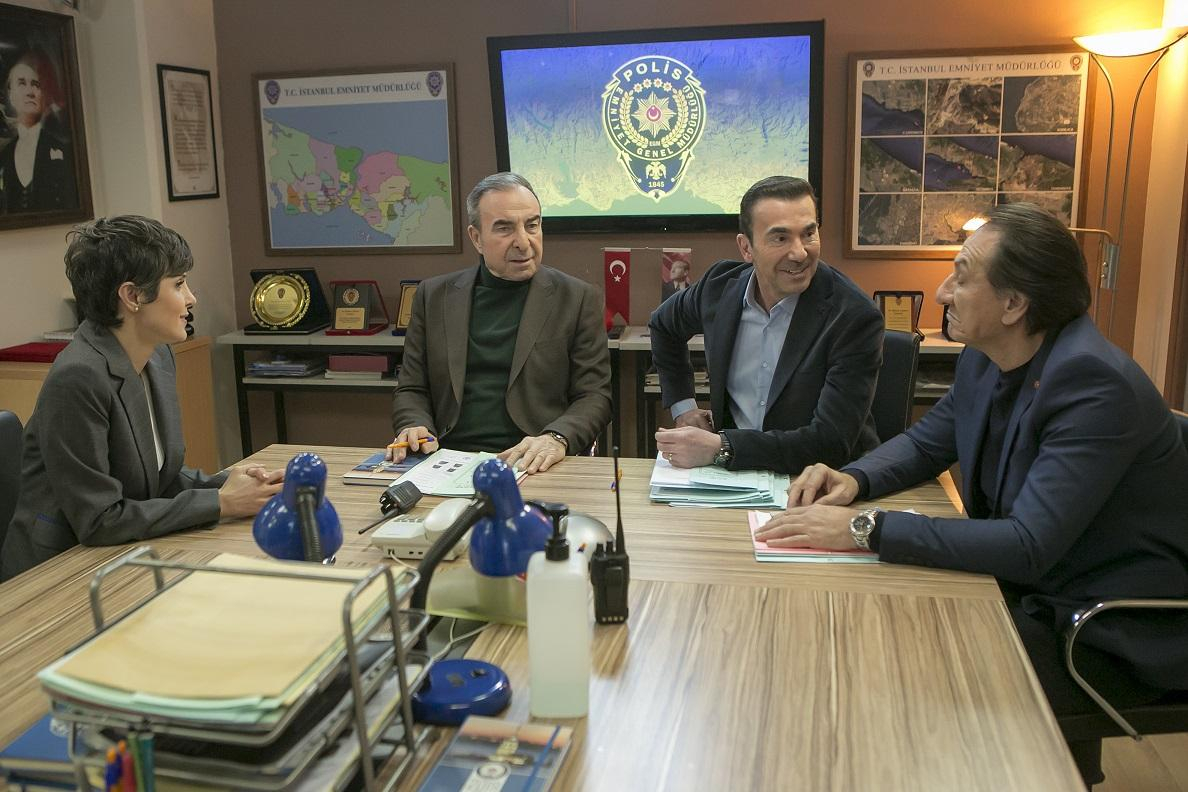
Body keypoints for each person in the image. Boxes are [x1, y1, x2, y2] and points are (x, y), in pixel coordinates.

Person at [756, 202, 1188, 786]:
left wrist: (865, 528)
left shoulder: (1094, 384)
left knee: (896, 671)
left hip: (1104, 627)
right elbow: (926, 443)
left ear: (1014, 305)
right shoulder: (989, 359)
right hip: (1035, 592)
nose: (941, 292)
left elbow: (1028, 545)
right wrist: (853, 478)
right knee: (876, 627)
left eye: (961, 277)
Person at [1, 216, 283, 582]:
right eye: (178, 284)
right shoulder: (78, 377)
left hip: (122, 555)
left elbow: (158, 478)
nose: (191, 298)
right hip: (55, 575)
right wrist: (221, 502)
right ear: (132, 296)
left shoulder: (157, 354)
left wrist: (229, 483)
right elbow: (99, 519)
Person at [648, 175, 883, 474]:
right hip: (733, 477)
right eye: (780, 238)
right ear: (746, 248)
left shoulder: (854, 316)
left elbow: (830, 442)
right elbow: (663, 326)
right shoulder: (719, 287)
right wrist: (684, 408)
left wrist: (722, 447)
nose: (800, 253)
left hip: (820, 480)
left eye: (809, 234)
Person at [388, 172, 611, 474]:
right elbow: (412, 388)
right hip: (446, 457)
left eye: (532, 225)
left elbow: (595, 396)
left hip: (533, 461)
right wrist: (414, 424)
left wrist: (556, 438)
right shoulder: (433, 296)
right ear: (476, 238)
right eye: (505, 228)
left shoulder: (577, 298)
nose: (523, 242)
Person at [0, 50, 77, 214]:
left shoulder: (62, 149)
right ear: (11, 95)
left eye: (36, 84)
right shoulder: (5, 154)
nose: (30, 92)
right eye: (22, 83)